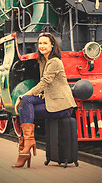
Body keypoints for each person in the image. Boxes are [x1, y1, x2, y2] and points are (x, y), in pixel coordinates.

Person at [12, 32, 77, 168]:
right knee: (27, 102)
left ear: (52, 45)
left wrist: (21, 96)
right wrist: (42, 95)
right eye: (40, 43)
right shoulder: (43, 61)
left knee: (25, 106)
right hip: (52, 100)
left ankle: (25, 147)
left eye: (45, 43)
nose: (42, 46)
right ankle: (28, 144)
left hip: (62, 107)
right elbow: (48, 86)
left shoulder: (54, 62)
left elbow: (44, 83)